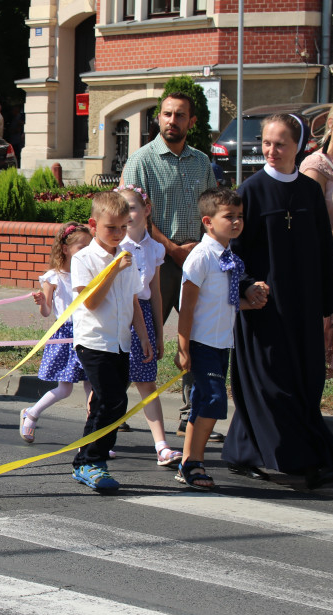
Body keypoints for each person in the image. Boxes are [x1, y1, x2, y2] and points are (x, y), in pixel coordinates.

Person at [222, 113, 333, 489]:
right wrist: (245, 286)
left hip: (305, 306)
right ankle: (294, 458)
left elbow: (324, 251)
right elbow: (233, 250)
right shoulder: (250, 191)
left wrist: (332, 304)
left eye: (280, 144)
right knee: (271, 382)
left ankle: (244, 450)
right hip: (265, 306)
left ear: (299, 146)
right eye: (266, 143)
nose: (271, 151)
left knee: (306, 379)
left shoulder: (309, 192)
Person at [121, 91, 217, 441]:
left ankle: (192, 413)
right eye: (166, 114)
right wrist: (173, 249)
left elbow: (212, 211)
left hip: (195, 262)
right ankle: (113, 407)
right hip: (153, 263)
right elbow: (129, 217)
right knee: (135, 336)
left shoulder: (202, 162)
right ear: (158, 118)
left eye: (179, 115)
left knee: (196, 336)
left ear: (191, 122)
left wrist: (201, 248)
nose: (172, 121)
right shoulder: (141, 161)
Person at [176, 188, 266, 490]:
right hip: (202, 342)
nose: (237, 222)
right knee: (214, 400)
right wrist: (183, 348)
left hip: (221, 342)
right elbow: (187, 306)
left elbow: (222, 301)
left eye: (240, 217)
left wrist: (248, 302)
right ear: (208, 221)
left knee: (203, 400)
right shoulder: (201, 258)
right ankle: (194, 462)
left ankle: (188, 462)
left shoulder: (228, 256)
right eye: (229, 217)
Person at [69, 192, 149, 492]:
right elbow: (90, 302)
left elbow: (133, 300)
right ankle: (94, 461)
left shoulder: (127, 256)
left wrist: (142, 335)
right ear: (93, 225)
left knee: (106, 402)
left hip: (120, 342)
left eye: (123, 227)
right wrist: (113, 270)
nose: (117, 234)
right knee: (114, 400)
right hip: (94, 341)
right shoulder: (84, 259)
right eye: (110, 228)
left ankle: (84, 459)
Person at [116, 186, 183, 466]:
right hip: (118, 314)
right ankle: (97, 438)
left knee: (147, 381)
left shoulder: (155, 249)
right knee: (109, 383)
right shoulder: (115, 245)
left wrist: (158, 332)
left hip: (142, 314)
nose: (127, 214)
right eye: (121, 209)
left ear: (147, 209)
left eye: (131, 207)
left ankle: (161, 445)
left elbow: (155, 292)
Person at [19, 222, 92, 443]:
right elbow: (47, 312)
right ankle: (31, 414)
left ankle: (94, 438)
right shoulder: (53, 277)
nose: (86, 252)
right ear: (65, 248)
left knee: (93, 388)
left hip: (88, 332)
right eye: (81, 247)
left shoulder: (90, 273)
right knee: (65, 388)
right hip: (66, 335)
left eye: (89, 247)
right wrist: (42, 302)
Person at [301, 94, 333, 378]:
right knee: (321, 338)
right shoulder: (315, 165)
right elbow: (311, 224)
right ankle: (306, 411)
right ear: (332, 123)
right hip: (331, 262)